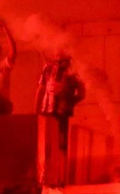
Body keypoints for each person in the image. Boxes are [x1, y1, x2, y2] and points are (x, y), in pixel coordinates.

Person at [36, 53, 86, 186]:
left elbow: (81, 93)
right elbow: (40, 89)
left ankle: (62, 177)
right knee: (47, 145)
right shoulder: (48, 67)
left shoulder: (74, 70)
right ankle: (46, 177)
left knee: (62, 145)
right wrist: (36, 110)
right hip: (47, 112)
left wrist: (69, 102)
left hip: (63, 114)